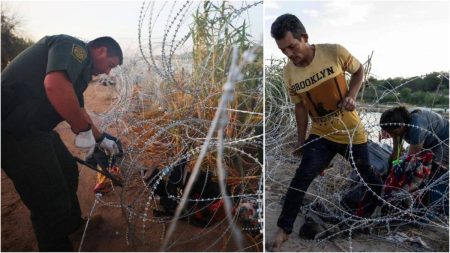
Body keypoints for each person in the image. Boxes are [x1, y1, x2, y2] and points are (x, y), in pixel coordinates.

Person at [269, 14, 382, 251]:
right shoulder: (289, 72)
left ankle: (374, 212)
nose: (289, 54)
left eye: (292, 46)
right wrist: (301, 141)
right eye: (283, 50)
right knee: (301, 178)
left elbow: (359, 70)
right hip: (321, 135)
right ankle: (283, 229)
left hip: (351, 133)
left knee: (368, 178)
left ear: (304, 37)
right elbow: (300, 107)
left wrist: (351, 95)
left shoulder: (334, 52)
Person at [2, 34, 123, 251]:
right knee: (49, 201)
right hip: (14, 132)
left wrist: (100, 138)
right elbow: (55, 86)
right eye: (110, 65)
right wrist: (82, 130)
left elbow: (79, 110)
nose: (108, 72)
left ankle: (73, 226)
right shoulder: (72, 47)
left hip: (37, 130)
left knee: (67, 169)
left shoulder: (80, 70)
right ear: (102, 50)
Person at [380, 106, 449, 212]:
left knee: (437, 173)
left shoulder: (416, 126)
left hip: (444, 139)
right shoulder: (397, 125)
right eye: (389, 132)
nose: (391, 135)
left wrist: (398, 181)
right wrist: (391, 170)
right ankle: (424, 206)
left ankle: (437, 210)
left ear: (402, 125)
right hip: (430, 139)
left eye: (393, 132)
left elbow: (412, 159)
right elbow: (396, 153)